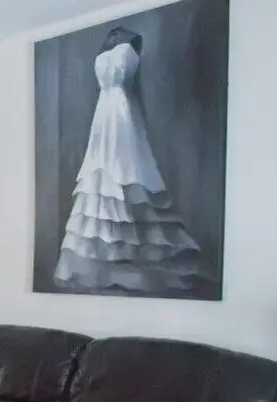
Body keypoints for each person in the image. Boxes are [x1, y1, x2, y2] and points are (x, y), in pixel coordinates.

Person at [53, 27, 204, 294]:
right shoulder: (123, 48)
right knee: (107, 173)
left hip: (117, 111)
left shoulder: (115, 51)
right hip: (112, 112)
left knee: (126, 172)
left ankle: (128, 254)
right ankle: (110, 257)